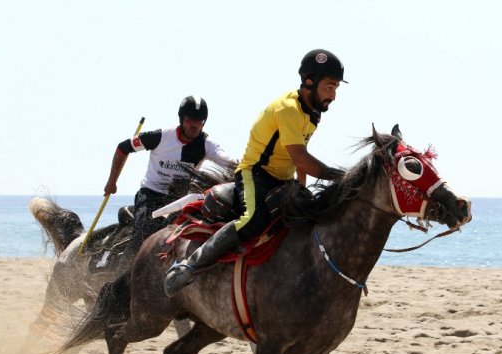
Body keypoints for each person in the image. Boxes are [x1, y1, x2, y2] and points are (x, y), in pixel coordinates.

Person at [164, 49, 347, 296]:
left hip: (283, 179)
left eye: (336, 88)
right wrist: (342, 177)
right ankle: (190, 265)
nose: (333, 95)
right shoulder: (288, 109)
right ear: (309, 82)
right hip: (255, 175)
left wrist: (301, 190)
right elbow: (302, 158)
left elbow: (300, 158)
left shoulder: (313, 114)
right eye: (329, 87)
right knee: (253, 220)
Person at [104, 95, 239, 251]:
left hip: (180, 201)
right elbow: (123, 148)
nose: (194, 125)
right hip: (151, 195)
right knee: (143, 237)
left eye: (199, 121)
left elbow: (226, 160)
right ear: (181, 118)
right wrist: (111, 182)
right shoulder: (160, 137)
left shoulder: (206, 144)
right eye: (189, 119)